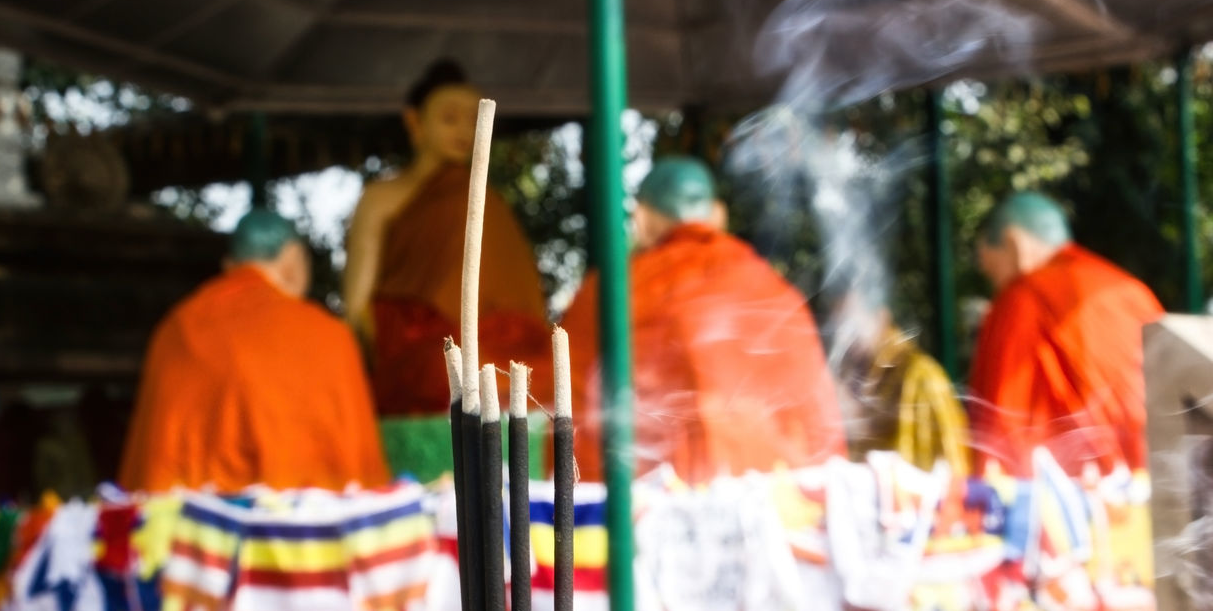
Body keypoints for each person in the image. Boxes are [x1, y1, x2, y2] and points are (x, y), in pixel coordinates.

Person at [560, 156, 846, 483]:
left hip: (650, 505)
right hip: (775, 503)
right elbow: (820, 426)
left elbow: (567, 411)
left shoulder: (610, 291)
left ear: (640, 219)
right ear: (717, 214)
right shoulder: (777, 293)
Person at [119, 210, 389, 492]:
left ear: (229, 266)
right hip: (299, 528)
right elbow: (357, 470)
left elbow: (158, 461)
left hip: (191, 525)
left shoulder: (177, 327)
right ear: (292, 263)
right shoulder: (328, 336)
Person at [342, 59, 548, 415]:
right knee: (444, 372)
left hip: (494, 344)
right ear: (414, 121)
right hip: (422, 345)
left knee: (542, 373)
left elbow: (520, 299)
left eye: (474, 120)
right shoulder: (383, 197)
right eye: (450, 118)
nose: (464, 131)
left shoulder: (487, 199)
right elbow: (357, 303)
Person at [969, 191, 1164, 478]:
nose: (995, 286)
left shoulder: (1021, 299)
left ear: (1013, 243)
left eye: (992, 270)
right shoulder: (1132, 291)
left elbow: (1002, 426)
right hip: (1151, 478)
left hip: (1077, 496)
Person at [831, 278, 969, 475]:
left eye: (850, 324)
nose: (842, 338)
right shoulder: (852, 376)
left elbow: (953, 473)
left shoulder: (921, 376)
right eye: (838, 325)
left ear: (881, 316)